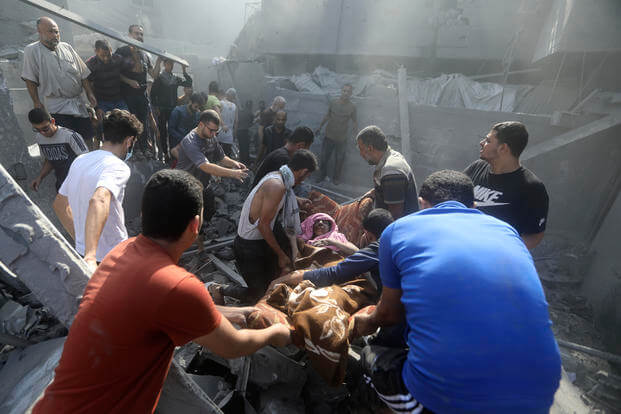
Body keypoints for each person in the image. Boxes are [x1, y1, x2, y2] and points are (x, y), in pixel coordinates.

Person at [33, 169, 291, 414]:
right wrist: (275, 333)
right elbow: (233, 346)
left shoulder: (122, 251)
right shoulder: (177, 286)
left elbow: (159, 310)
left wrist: (237, 312)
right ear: (196, 224)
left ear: (144, 214)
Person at [352, 170, 561, 413]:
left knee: (372, 356)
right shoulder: (507, 232)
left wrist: (364, 320)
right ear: (473, 206)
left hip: (447, 398)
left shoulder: (399, 230)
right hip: (538, 395)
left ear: (422, 204)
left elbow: (388, 315)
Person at [211, 150, 318, 304]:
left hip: (258, 241)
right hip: (248, 247)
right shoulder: (277, 186)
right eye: (306, 176)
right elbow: (263, 226)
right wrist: (281, 255)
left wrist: (298, 200)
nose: (304, 180)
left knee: (273, 283)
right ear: (304, 171)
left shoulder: (279, 176)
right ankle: (219, 288)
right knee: (258, 295)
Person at [53, 109, 142, 269]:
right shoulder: (118, 167)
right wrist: (90, 256)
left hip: (83, 253)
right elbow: (99, 199)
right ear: (129, 141)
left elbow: (59, 204)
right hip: (111, 255)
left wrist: (81, 241)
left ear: (103, 136)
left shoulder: (80, 160)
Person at [464, 121, 549, 249]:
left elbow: (534, 235)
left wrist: (504, 252)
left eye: (488, 141)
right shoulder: (477, 167)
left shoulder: (532, 188)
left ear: (503, 148)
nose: (481, 143)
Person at [269, 208, 393, 291]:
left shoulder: (338, 238)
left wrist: (331, 241)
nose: (321, 223)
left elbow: (352, 258)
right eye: (317, 222)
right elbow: (299, 261)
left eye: (325, 222)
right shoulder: (304, 242)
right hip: (315, 268)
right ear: (310, 228)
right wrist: (292, 240)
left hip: (334, 270)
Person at [22, 17, 97, 149]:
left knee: (87, 139)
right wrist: (36, 101)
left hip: (77, 103)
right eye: (51, 32)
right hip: (57, 106)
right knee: (67, 142)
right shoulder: (32, 50)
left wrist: (90, 93)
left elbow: (83, 74)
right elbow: (30, 79)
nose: (55, 35)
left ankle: (89, 165)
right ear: (40, 32)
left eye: (56, 31)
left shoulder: (66, 47)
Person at [174, 110, 248, 222]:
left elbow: (222, 157)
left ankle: (201, 232)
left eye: (216, 132)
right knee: (190, 221)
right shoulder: (190, 142)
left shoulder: (211, 137)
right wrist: (233, 173)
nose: (214, 134)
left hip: (203, 185)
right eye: (211, 131)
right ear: (201, 125)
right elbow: (206, 166)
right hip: (186, 188)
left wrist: (234, 164)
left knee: (208, 212)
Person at [357, 125, 418, 219]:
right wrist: (373, 193)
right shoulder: (391, 157)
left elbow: (394, 217)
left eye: (361, 149)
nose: (360, 154)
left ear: (370, 148)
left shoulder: (391, 171)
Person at [116, 24, 156, 154]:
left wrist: (160, 60)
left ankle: (145, 149)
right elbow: (115, 73)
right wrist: (129, 81)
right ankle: (130, 151)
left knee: (144, 123)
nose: (139, 36)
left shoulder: (145, 55)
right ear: (129, 35)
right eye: (136, 33)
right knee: (130, 123)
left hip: (142, 95)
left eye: (141, 34)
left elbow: (154, 75)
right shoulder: (121, 52)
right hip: (128, 95)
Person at [28, 108, 89, 192]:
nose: (42, 133)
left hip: (79, 185)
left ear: (52, 121)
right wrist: (40, 177)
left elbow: (87, 160)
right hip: (61, 185)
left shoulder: (70, 136)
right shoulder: (39, 138)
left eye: (45, 128)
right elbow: (49, 160)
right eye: (37, 130)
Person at [86, 40, 127, 144]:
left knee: (126, 122)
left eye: (108, 55)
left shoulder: (118, 59)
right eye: (103, 56)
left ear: (111, 50)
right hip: (102, 100)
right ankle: (102, 148)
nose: (106, 59)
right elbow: (88, 87)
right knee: (103, 126)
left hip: (118, 98)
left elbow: (127, 72)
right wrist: (96, 108)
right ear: (96, 52)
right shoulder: (91, 64)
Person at [315, 84, 358, 185]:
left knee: (339, 160)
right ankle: (322, 175)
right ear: (341, 91)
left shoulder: (352, 107)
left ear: (351, 94)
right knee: (324, 158)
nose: (345, 93)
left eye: (348, 92)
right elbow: (327, 115)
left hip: (342, 138)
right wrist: (320, 127)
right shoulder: (333, 102)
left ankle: (336, 178)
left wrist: (357, 135)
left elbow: (355, 121)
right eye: (344, 91)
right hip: (329, 136)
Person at [151, 59, 192, 162]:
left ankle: (174, 153)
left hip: (173, 109)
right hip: (162, 109)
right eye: (169, 63)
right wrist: (156, 107)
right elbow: (153, 94)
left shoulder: (175, 78)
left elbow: (188, 82)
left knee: (173, 131)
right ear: (165, 64)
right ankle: (165, 153)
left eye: (172, 64)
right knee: (162, 131)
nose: (171, 65)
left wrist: (184, 70)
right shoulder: (159, 78)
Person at [257, 96, 286, 161]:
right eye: (281, 107)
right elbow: (260, 129)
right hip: (267, 140)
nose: (282, 109)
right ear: (276, 104)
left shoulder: (278, 114)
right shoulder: (266, 113)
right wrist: (263, 141)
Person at [217, 88, 238, 157]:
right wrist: (234, 135)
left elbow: (216, 117)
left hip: (219, 134)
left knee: (217, 157)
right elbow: (236, 122)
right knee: (227, 157)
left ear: (226, 94)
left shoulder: (220, 103)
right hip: (229, 136)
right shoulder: (235, 107)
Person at [237, 100, 254, 165]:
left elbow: (237, 121)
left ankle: (241, 161)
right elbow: (251, 123)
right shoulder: (251, 113)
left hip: (239, 131)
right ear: (251, 106)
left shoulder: (240, 112)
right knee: (246, 147)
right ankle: (246, 162)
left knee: (241, 147)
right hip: (245, 131)